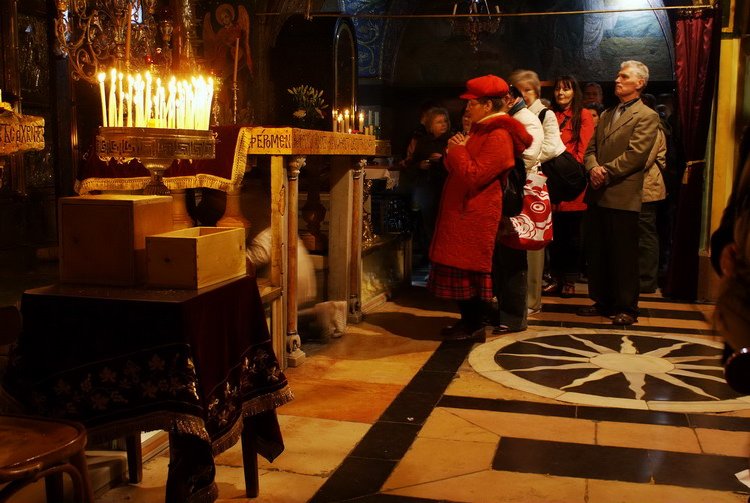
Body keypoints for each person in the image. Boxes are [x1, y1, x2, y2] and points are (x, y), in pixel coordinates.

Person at [428, 75, 532, 340]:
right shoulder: (481, 131)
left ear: (488, 106)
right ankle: (467, 322)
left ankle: (473, 326)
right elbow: (458, 171)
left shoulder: (498, 136)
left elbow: (474, 176)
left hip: (475, 214)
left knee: (469, 275)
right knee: (460, 274)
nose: (467, 108)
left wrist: (458, 152)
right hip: (463, 212)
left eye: (472, 103)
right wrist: (455, 152)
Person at [578, 60, 660, 325]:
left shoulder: (647, 115)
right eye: (617, 75)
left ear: (639, 83)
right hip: (599, 191)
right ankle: (602, 300)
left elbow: (636, 155)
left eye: (624, 76)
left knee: (623, 255)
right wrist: (592, 168)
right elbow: (590, 150)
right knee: (598, 251)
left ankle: (627, 307)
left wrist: (605, 171)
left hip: (622, 194)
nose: (617, 80)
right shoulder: (607, 113)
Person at [509, 69, 567, 316]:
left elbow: (552, 148)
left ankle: (533, 298)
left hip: (533, 180)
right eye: (518, 89)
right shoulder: (513, 114)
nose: (522, 94)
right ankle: (517, 295)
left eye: (527, 89)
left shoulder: (544, 113)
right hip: (519, 180)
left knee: (533, 240)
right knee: (516, 238)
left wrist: (521, 159)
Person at [544, 75, 594, 297]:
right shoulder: (550, 114)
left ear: (575, 92)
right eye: (558, 89)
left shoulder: (582, 115)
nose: (561, 93)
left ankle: (570, 279)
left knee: (572, 235)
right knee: (553, 234)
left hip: (572, 181)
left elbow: (585, 148)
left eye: (566, 89)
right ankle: (555, 276)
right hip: (551, 179)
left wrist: (572, 170)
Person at [401, 107, 451, 261]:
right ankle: (430, 256)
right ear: (430, 125)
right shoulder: (423, 141)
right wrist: (420, 165)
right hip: (426, 187)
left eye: (445, 121)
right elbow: (411, 164)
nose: (443, 125)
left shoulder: (452, 141)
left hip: (444, 187)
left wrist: (443, 160)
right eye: (438, 122)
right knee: (427, 224)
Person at [638, 94, 668, 294]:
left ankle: (647, 280)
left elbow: (644, 159)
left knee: (646, 234)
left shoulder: (653, 129)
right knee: (642, 233)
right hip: (642, 186)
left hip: (647, 187)